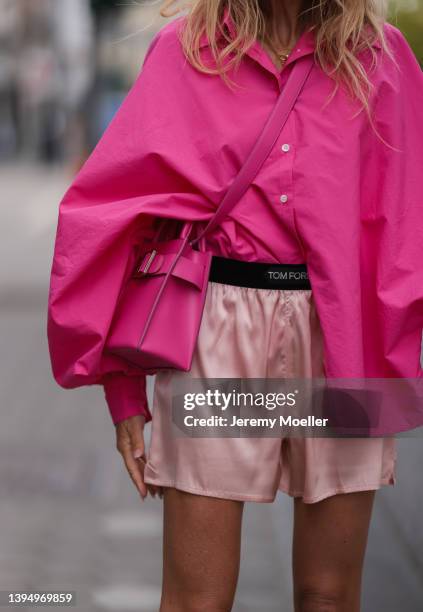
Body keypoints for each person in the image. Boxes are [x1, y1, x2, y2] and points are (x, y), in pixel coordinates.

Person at [47, 0, 423, 610]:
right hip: (218, 333)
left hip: (342, 335)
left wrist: (397, 360)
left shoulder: (381, 60)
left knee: (329, 596)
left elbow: (409, 224)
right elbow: (117, 210)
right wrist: (122, 390)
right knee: (199, 600)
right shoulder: (184, 53)